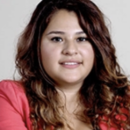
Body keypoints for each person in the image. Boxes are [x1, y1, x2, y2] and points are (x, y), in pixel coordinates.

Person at [0, 0, 130, 130]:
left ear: (98, 47)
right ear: (36, 45)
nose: (70, 50)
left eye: (82, 39)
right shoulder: (9, 97)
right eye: (57, 39)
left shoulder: (125, 100)